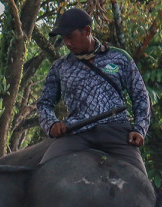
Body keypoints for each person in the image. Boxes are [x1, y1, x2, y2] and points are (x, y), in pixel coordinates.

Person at [36, 8, 151, 173]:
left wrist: (139, 129)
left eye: (70, 37)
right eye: (64, 38)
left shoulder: (119, 58)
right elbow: (44, 103)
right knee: (44, 173)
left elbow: (140, 95)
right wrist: (51, 124)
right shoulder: (60, 67)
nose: (67, 43)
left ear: (87, 31)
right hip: (76, 133)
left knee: (142, 184)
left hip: (116, 130)